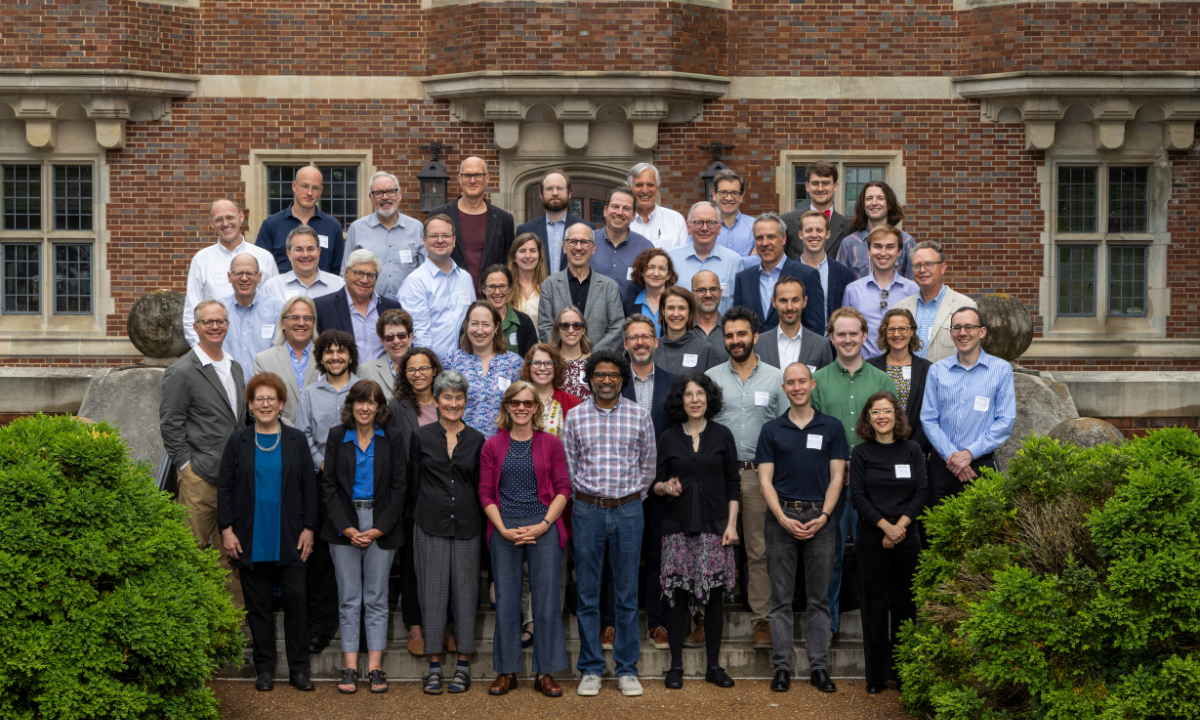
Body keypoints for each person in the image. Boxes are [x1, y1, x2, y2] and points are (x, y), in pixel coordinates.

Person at [563, 350, 657, 698]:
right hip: (587, 511)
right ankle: (590, 668)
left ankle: (627, 668)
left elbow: (648, 467)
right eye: (600, 374)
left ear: (622, 378)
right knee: (587, 593)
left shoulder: (639, 416)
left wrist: (630, 500)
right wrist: (589, 500)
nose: (606, 379)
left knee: (627, 594)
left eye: (613, 374)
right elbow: (570, 467)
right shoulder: (574, 417)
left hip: (630, 510)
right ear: (590, 378)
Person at [216, 372, 318, 692]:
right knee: (258, 607)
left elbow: (309, 489)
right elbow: (225, 489)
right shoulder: (238, 441)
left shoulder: (296, 440)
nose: (264, 404)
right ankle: (264, 670)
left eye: (271, 399)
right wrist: (227, 530)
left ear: (281, 403)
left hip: (290, 535)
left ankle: (299, 670)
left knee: (297, 604)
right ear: (249, 404)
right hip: (251, 537)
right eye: (258, 399)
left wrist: (310, 529)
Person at [755, 362, 849, 694]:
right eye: (790, 383)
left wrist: (824, 515)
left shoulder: (832, 427)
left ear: (812, 385)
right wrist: (781, 516)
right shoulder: (771, 430)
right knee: (780, 599)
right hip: (781, 518)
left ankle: (818, 668)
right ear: (784, 388)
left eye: (801, 382)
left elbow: (838, 476)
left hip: (820, 519)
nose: (796, 387)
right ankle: (782, 668)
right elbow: (764, 479)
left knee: (818, 598)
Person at [704, 305, 788, 651]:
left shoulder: (775, 378)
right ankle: (703, 620)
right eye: (729, 335)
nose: (735, 341)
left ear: (755, 337)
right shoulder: (711, 378)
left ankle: (762, 621)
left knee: (758, 549)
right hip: (716, 477)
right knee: (711, 547)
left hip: (757, 476)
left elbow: (785, 429)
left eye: (741, 334)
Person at [480, 382, 571, 698]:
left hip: (543, 527)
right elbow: (485, 492)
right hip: (504, 529)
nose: (521, 408)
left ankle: (544, 672)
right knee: (506, 601)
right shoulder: (492, 445)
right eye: (515, 402)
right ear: (506, 406)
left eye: (527, 403)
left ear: (536, 408)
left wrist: (544, 524)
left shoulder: (551, 444)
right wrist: (502, 528)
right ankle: (506, 672)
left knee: (546, 602)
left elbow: (562, 489)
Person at [811, 307, 898, 638]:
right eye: (840, 334)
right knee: (828, 561)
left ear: (864, 336)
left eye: (853, 333)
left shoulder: (883, 381)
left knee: (872, 559)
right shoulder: (817, 382)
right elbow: (812, 433)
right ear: (831, 338)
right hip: (829, 487)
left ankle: (873, 629)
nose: (847, 340)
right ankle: (827, 626)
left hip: (871, 487)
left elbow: (891, 434)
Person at [653, 373, 740, 690]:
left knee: (714, 597)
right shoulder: (669, 438)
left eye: (700, 393)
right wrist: (666, 486)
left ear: (709, 398)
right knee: (676, 595)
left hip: (716, 527)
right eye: (688, 394)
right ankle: (675, 667)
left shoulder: (723, 435)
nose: (694, 399)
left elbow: (734, 483)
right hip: (677, 527)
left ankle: (713, 666)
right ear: (680, 400)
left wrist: (732, 524)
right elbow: (656, 484)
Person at [160, 299, 247, 607]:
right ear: (195, 328)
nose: (215, 327)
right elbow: (170, 424)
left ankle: (234, 632)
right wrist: (186, 468)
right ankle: (186, 628)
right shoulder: (181, 371)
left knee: (231, 557)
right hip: (200, 479)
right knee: (189, 554)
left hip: (233, 481)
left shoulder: (234, 367)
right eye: (207, 322)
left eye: (220, 321)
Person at [322, 379, 407, 695]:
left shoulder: (393, 438)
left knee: (376, 597)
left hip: (380, 524)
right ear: (351, 405)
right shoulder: (336, 436)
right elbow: (328, 486)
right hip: (343, 524)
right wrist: (347, 528)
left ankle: (374, 668)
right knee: (349, 598)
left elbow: (400, 487)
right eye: (360, 401)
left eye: (372, 402)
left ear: (380, 407)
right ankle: (349, 668)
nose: (365, 407)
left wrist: (379, 528)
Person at [408, 371, 486, 694]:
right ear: (437, 401)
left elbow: (482, 485)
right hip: (430, 524)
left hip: (468, 525)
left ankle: (464, 665)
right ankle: (435, 667)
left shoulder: (479, 439)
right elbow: (412, 484)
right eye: (447, 397)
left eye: (459, 398)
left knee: (467, 595)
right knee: (433, 594)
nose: (453, 403)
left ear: (465, 401)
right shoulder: (421, 436)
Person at [849, 390, 928, 694]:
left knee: (906, 606)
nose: (881, 417)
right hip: (871, 539)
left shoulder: (912, 449)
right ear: (868, 418)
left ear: (897, 416)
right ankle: (876, 676)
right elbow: (857, 496)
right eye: (875, 412)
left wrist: (899, 528)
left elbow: (921, 492)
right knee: (874, 608)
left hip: (907, 539)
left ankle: (905, 673)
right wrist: (885, 527)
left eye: (887, 411)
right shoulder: (861, 453)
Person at [295, 329, 362, 655]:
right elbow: (303, 435)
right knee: (322, 559)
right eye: (329, 351)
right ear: (321, 358)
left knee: (358, 555)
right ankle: (321, 627)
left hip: (361, 486)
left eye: (341, 351)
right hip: (323, 485)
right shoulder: (310, 394)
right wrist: (324, 465)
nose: (335, 356)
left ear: (350, 355)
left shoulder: (363, 391)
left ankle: (360, 630)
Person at [620, 315, 677, 650]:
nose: (640, 343)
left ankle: (657, 622)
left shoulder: (674, 383)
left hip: (661, 486)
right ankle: (613, 623)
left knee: (659, 554)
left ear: (656, 342)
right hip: (621, 485)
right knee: (620, 556)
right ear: (625, 344)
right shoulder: (613, 382)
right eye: (633, 338)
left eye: (646, 337)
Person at [920, 307, 1016, 508]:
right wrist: (953, 457)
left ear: (982, 331)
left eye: (969, 327)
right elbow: (928, 419)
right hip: (941, 467)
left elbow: (1005, 420)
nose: (962, 333)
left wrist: (969, 454)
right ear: (951, 333)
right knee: (937, 532)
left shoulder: (1001, 370)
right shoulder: (937, 370)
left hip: (980, 465)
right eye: (957, 328)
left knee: (980, 534)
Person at [386, 347, 447, 657]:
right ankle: (415, 627)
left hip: (447, 497)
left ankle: (447, 625)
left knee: (447, 564)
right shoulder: (396, 409)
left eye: (424, 368)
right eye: (412, 369)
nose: (419, 374)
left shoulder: (448, 402)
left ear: (434, 370)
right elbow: (390, 457)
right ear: (404, 374)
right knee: (411, 565)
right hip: (411, 497)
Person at [183, 199, 278, 345]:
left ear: (241, 217)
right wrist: (203, 353)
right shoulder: (202, 260)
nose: (225, 224)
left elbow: (275, 310)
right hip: (215, 348)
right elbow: (192, 312)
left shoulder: (264, 258)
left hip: (258, 348)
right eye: (219, 219)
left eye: (230, 217)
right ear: (211, 223)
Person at [397, 213, 477, 361]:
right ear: (424, 241)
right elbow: (419, 334)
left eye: (445, 235)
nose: (440, 240)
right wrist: (430, 368)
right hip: (434, 367)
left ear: (453, 240)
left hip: (467, 364)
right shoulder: (415, 282)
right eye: (434, 236)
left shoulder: (465, 278)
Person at [730, 212, 825, 335]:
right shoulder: (743, 278)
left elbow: (815, 327)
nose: (765, 243)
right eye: (759, 238)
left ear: (783, 239)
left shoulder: (807, 275)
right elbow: (738, 325)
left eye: (771, 237)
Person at [537, 222, 624, 352]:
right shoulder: (549, 285)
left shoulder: (609, 287)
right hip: (562, 365)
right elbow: (545, 328)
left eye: (584, 242)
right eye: (573, 241)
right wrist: (568, 355)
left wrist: (590, 357)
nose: (578, 247)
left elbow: (617, 328)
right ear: (564, 247)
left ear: (593, 248)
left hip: (598, 365)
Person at [431, 156, 516, 290]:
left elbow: (509, 264)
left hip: (491, 300)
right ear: (459, 178)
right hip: (448, 297)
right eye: (467, 175)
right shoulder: (439, 216)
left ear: (487, 178)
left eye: (477, 175)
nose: (472, 180)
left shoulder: (504, 219)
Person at [445, 301, 525, 439]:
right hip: (461, 449)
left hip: (502, 449)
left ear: (496, 327)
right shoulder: (451, 362)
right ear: (466, 326)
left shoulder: (514, 364)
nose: (479, 330)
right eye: (474, 323)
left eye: (486, 324)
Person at [342, 171, 425, 299]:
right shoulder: (357, 229)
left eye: (390, 191)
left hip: (408, 307)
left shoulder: (416, 228)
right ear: (371, 198)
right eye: (378, 193)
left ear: (399, 195)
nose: (385, 197)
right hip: (368, 307)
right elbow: (346, 273)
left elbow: (425, 271)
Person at [893, 239, 977, 363]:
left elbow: (972, 355)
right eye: (917, 265)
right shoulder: (900, 308)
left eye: (929, 264)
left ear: (943, 268)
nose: (922, 270)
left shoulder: (966, 306)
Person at [842, 226, 918, 360]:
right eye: (877, 246)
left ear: (899, 251)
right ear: (869, 250)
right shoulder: (852, 291)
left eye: (890, 247)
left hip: (902, 368)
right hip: (864, 370)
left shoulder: (913, 290)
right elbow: (845, 334)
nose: (883, 253)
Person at [313, 248, 402, 362]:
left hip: (383, 378)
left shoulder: (392, 308)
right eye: (359, 273)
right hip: (343, 378)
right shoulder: (322, 308)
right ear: (346, 273)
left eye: (371, 275)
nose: (364, 280)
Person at [256, 166, 345, 275]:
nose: (310, 193)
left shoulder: (333, 226)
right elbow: (260, 267)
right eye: (305, 186)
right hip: (282, 291)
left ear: (321, 190)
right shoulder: (271, 225)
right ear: (294, 186)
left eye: (315, 188)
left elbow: (337, 270)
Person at [867, 308, 933, 454]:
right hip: (876, 449)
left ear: (912, 331)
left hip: (914, 450)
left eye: (903, 328)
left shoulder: (928, 369)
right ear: (884, 332)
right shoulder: (869, 367)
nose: (897, 334)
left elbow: (930, 414)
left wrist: (912, 447)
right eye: (891, 329)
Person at [210, 253, 283, 382]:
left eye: (250, 273)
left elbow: (282, 352)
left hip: (265, 390)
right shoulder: (216, 310)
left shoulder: (276, 309)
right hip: (225, 389)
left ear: (259, 277)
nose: (244, 278)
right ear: (229, 277)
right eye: (238, 273)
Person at [668, 200, 745, 316]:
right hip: (682, 333)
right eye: (698, 223)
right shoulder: (671, 259)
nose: (704, 228)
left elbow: (740, 305)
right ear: (688, 227)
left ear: (719, 228)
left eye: (711, 223)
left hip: (722, 332)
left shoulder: (734, 261)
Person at [251, 295, 319, 426]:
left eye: (307, 318)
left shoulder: (327, 358)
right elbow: (258, 405)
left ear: (314, 323)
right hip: (280, 437)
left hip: (321, 440)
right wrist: (291, 432)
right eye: (294, 318)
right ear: (283, 323)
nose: (301, 323)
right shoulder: (264, 360)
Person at [514, 169, 591, 276]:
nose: (555, 193)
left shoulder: (587, 228)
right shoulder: (525, 230)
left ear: (569, 193)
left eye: (560, 188)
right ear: (541, 194)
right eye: (549, 189)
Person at [754, 275, 833, 372]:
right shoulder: (757, 344)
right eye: (783, 300)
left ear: (804, 301)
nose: (789, 307)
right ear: (773, 302)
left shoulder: (821, 345)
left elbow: (824, 384)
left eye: (795, 300)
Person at [794, 210, 856, 334]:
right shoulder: (787, 273)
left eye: (819, 230)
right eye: (808, 230)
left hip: (833, 347)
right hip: (798, 345)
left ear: (828, 234)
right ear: (800, 235)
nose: (814, 235)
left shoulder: (845, 275)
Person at [840, 181, 916, 281]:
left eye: (880, 198)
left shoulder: (906, 241)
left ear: (889, 204)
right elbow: (840, 284)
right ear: (863, 205)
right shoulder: (849, 244)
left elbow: (914, 282)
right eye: (869, 198)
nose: (874, 203)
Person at [781, 161, 852, 260]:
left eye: (825, 183)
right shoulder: (786, 221)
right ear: (807, 186)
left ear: (835, 186)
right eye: (815, 183)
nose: (820, 188)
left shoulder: (848, 226)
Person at [591, 186, 655, 296]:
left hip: (632, 313)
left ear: (633, 216)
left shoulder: (646, 248)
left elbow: (653, 289)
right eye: (615, 206)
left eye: (626, 208)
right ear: (605, 211)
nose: (620, 213)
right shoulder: (587, 242)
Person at [261, 225, 346, 302]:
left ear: (318, 252)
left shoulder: (339, 286)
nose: (305, 255)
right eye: (299, 249)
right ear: (289, 254)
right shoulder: (272, 288)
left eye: (310, 249)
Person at [520, 343, 582, 436]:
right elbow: (502, 441)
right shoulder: (514, 401)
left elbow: (580, 442)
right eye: (536, 363)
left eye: (548, 363)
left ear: (556, 367)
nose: (542, 368)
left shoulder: (572, 403)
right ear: (529, 367)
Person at [656, 286, 720, 375]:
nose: (676, 314)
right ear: (663, 310)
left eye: (682, 308)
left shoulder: (705, 349)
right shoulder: (652, 348)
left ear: (689, 311)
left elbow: (712, 387)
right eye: (671, 308)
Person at [356, 308, 414, 401]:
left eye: (401, 335)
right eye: (389, 337)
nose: (396, 341)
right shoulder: (365, 371)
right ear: (383, 342)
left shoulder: (425, 369)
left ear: (410, 338)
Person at [628, 163, 689, 250]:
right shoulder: (623, 223)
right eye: (639, 185)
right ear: (630, 189)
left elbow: (682, 258)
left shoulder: (675, 220)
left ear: (657, 189)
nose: (645, 191)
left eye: (650, 185)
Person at [481, 264, 538, 357]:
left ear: (510, 289)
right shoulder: (472, 321)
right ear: (483, 289)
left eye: (502, 286)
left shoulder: (524, 322)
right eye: (491, 286)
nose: (497, 292)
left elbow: (531, 361)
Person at [711, 168, 760, 268]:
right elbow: (698, 259)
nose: (729, 198)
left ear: (742, 196)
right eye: (723, 192)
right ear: (714, 194)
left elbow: (762, 259)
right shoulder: (702, 227)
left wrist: (718, 262)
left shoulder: (756, 226)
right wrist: (746, 261)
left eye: (734, 193)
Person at [622, 247, 677, 333]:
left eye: (662, 268)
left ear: (668, 275)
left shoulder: (677, 303)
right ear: (642, 271)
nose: (656, 273)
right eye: (651, 267)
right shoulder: (628, 305)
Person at [548, 306, 594, 399]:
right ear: (558, 330)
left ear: (583, 330)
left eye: (576, 325)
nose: (571, 330)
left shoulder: (595, 363)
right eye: (565, 325)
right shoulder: (549, 362)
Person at [507, 232, 549, 328]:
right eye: (522, 251)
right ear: (514, 257)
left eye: (532, 251)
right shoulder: (505, 287)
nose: (528, 256)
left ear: (539, 255)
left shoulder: (549, 287)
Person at [690, 270, 730, 363]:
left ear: (720, 293)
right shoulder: (682, 329)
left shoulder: (732, 330)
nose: (708, 295)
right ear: (692, 294)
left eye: (713, 289)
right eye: (701, 290)